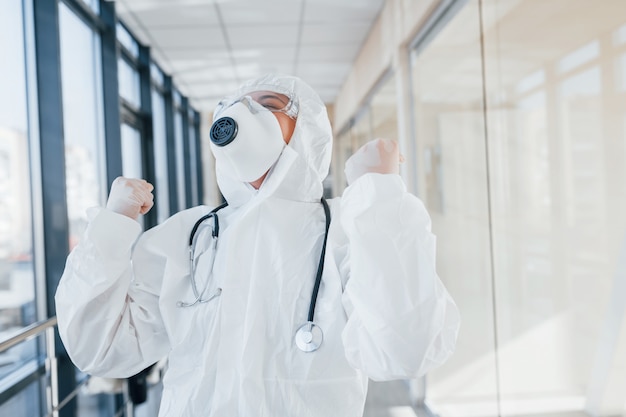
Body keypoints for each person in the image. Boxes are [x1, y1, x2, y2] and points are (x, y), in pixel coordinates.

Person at [55, 73, 460, 416]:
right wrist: (112, 226)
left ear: (306, 131)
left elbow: (406, 348)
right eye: (233, 105)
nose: (241, 115)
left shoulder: (347, 229)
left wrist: (380, 198)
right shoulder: (190, 236)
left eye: (267, 103)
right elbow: (100, 347)